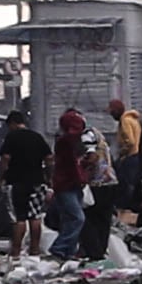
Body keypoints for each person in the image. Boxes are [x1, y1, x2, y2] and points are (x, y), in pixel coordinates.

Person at [0, 111, 52, 258]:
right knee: (35, 216)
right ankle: (34, 250)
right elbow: (49, 158)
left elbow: (5, 159)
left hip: (17, 182)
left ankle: (16, 252)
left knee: (19, 218)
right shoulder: (37, 137)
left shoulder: (11, 137)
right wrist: (48, 176)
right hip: (37, 182)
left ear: (13, 124)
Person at [48, 109, 87, 260]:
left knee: (68, 218)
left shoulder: (68, 141)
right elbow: (72, 165)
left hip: (70, 185)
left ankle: (69, 252)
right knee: (78, 218)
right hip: (66, 185)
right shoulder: (66, 142)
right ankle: (59, 248)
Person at [78, 126, 117, 259]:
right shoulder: (98, 135)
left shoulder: (86, 136)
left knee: (89, 219)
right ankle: (101, 250)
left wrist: (81, 166)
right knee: (104, 221)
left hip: (97, 183)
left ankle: (95, 253)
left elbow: (93, 157)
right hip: (110, 182)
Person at [108, 100, 142, 211]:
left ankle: (126, 210)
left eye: (112, 112)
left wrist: (122, 153)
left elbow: (130, 142)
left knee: (126, 185)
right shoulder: (133, 120)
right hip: (137, 156)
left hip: (131, 157)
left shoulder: (125, 121)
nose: (111, 115)